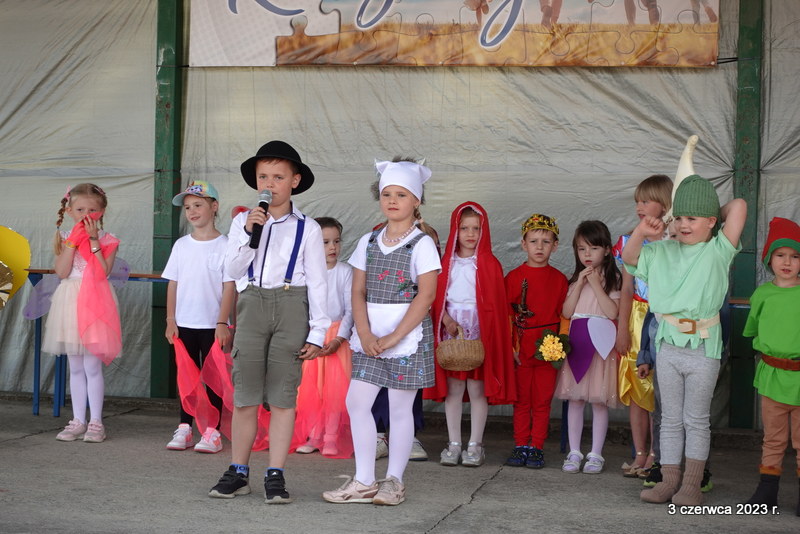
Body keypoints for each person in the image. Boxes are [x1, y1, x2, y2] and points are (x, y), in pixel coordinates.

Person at [208, 140, 329, 503]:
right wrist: (249, 234)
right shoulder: (241, 221)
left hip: (292, 304)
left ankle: (275, 472)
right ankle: (238, 471)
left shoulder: (308, 227)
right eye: (263, 177)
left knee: (282, 395)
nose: (270, 184)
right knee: (245, 394)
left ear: (295, 181)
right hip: (252, 303)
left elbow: (318, 281)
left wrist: (318, 331)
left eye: (278, 177)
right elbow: (231, 270)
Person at [623, 174, 746, 506]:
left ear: (711, 221)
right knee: (670, 419)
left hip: (704, 348)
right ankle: (668, 481)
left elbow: (738, 206)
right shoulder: (661, 250)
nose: (683, 224)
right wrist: (642, 232)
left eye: (692, 218)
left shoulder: (719, 249)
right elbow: (630, 259)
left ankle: (691, 484)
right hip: (667, 345)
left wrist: (707, 208)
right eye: (678, 217)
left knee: (696, 420)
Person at [322, 159, 440, 505]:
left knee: (400, 409)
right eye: (387, 194)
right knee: (357, 402)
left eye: (401, 195)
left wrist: (393, 337)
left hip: (406, 337)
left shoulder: (422, 244)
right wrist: (365, 333)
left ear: (416, 200)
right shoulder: (369, 240)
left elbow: (426, 296)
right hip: (370, 336)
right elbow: (357, 290)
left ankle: (394, 481)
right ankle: (363, 480)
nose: (392, 201)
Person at [424, 202, 515, 467]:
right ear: (455, 229)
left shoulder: (490, 264)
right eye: (464, 228)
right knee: (454, 388)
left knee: (477, 389)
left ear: (484, 231)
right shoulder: (445, 263)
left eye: (476, 228)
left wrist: (484, 331)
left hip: (480, 331)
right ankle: (454, 443)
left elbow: (496, 306)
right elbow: (434, 298)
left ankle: (475, 444)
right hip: (452, 328)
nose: (470, 234)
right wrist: (446, 319)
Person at [162, 180, 235, 453]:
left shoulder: (227, 245)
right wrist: (171, 320)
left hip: (213, 326)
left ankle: (212, 431)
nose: (192, 211)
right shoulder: (181, 245)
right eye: (187, 207)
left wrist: (223, 323)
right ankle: (185, 426)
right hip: (184, 324)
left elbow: (230, 287)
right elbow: (173, 283)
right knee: (187, 377)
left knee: (215, 379)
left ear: (214, 207)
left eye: (198, 205)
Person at [45, 183, 120, 444]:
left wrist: (93, 240)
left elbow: (102, 272)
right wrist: (73, 242)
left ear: (102, 211)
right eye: (79, 209)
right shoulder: (64, 237)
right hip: (70, 302)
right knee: (75, 366)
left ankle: (96, 422)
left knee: (92, 365)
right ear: (69, 210)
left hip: (96, 302)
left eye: (91, 210)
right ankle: (78, 420)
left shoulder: (108, 239)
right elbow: (62, 272)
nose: (86, 215)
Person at [612, 174, 672, 477]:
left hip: (664, 317)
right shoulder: (629, 242)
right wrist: (622, 329)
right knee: (637, 387)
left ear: (664, 204)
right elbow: (626, 288)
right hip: (636, 317)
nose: (639, 206)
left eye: (646, 201)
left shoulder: (675, 240)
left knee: (659, 391)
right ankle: (639, 452)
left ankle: (656, 454)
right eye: (637, 201)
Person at [743, 217, 800, 515]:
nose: (787, 262)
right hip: (772, 377)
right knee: (774, 438)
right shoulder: (762, 294)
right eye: (780, 255)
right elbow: (753, 329)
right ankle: (766, 494)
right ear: (769, 259)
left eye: (795, 256)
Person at [556, 220, 622, 474]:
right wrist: (580, 284)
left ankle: (596, 454)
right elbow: (567, 312)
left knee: (599, 401)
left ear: (606, 250)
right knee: (575, 400)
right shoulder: (575, 280)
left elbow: (612, 312)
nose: (587, 254)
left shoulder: (613, 279)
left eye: (593, 248)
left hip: (601, 347)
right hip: (577, 343)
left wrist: (595, 283)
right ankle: (574, 451)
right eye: (581, 248)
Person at [504, 214, 568, 469]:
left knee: (542, 400)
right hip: (521, 346)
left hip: (547, 347)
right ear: (524, 244)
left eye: (546, 242)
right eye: (533, 241)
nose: (539, 247)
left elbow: (565, 316)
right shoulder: (513, 277)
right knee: (521, 400)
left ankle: (537, 446)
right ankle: (520, 444)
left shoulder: (559, 279)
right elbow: (507, 316)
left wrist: (560, 346)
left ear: (555, 245)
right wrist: (511, 347)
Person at [295, 217, 354, 458]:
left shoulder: (345, 272)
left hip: (337, 338)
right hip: (312, 337)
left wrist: (338, 339)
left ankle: (331, 436)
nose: (332, 247)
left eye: (336, 241)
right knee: (312, 390)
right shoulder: (304, 273)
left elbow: (350, 310)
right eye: (325, 242)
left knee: (334, 392)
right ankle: (314, 435)